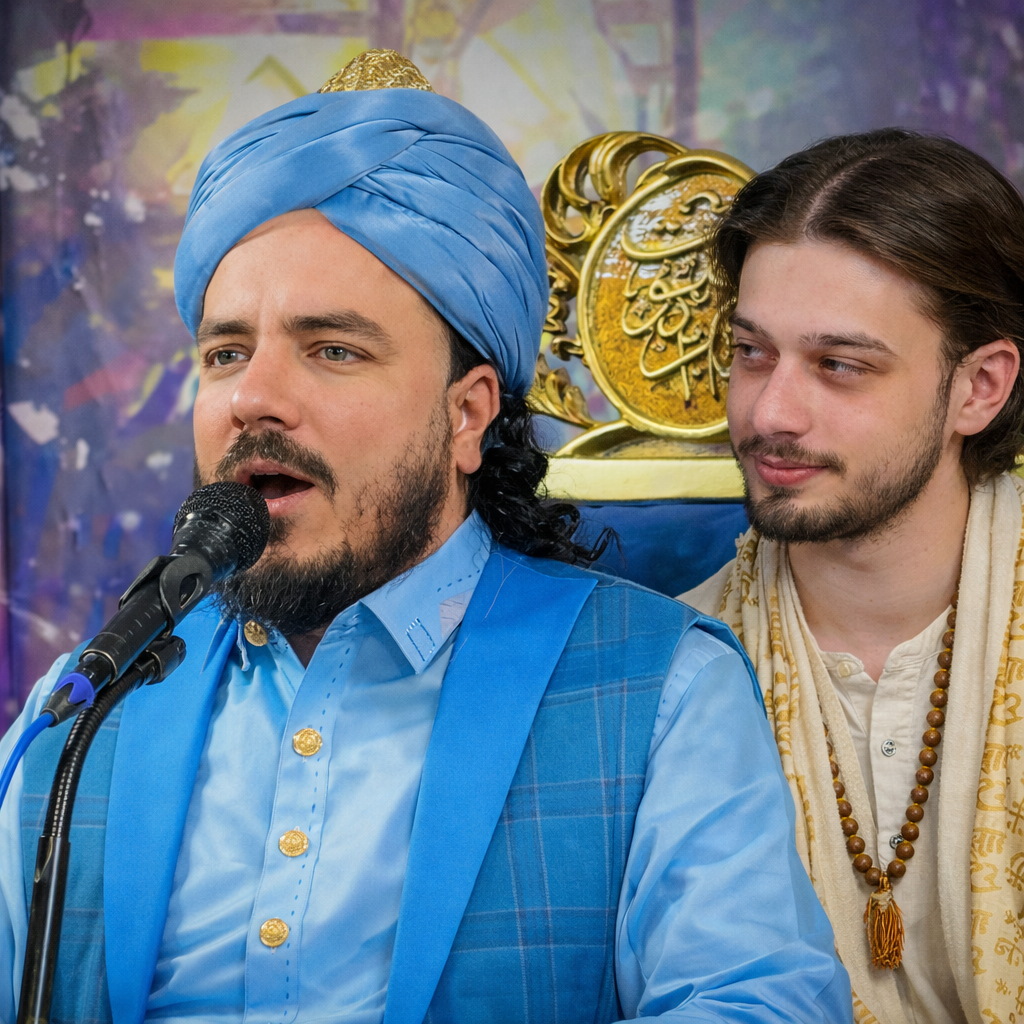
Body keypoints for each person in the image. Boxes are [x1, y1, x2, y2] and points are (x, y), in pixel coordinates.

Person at [0, 50, 848, 1024]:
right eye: (226, 351)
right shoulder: (85, 708)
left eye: (332, 349)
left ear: (466, 413)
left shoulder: (664, 692)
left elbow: (761, 1005)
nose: (252, 398)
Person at [684, 128, 1024, 1024]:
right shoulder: (667, 669)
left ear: (979, 388)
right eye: (752, 353)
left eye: (839, 366)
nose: (771, 412)